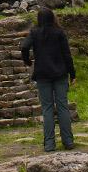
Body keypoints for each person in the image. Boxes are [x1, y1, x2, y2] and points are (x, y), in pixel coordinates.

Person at [22, 8, 76, 152]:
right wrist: (73, 73)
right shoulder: (59, 33)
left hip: (42, 75)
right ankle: (68, 141)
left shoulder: (34, 33)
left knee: (47, 109)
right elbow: (67, 55)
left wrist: (28, 62)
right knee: (63, 107)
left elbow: (24, 47)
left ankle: (49, 144)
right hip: (60, 74)